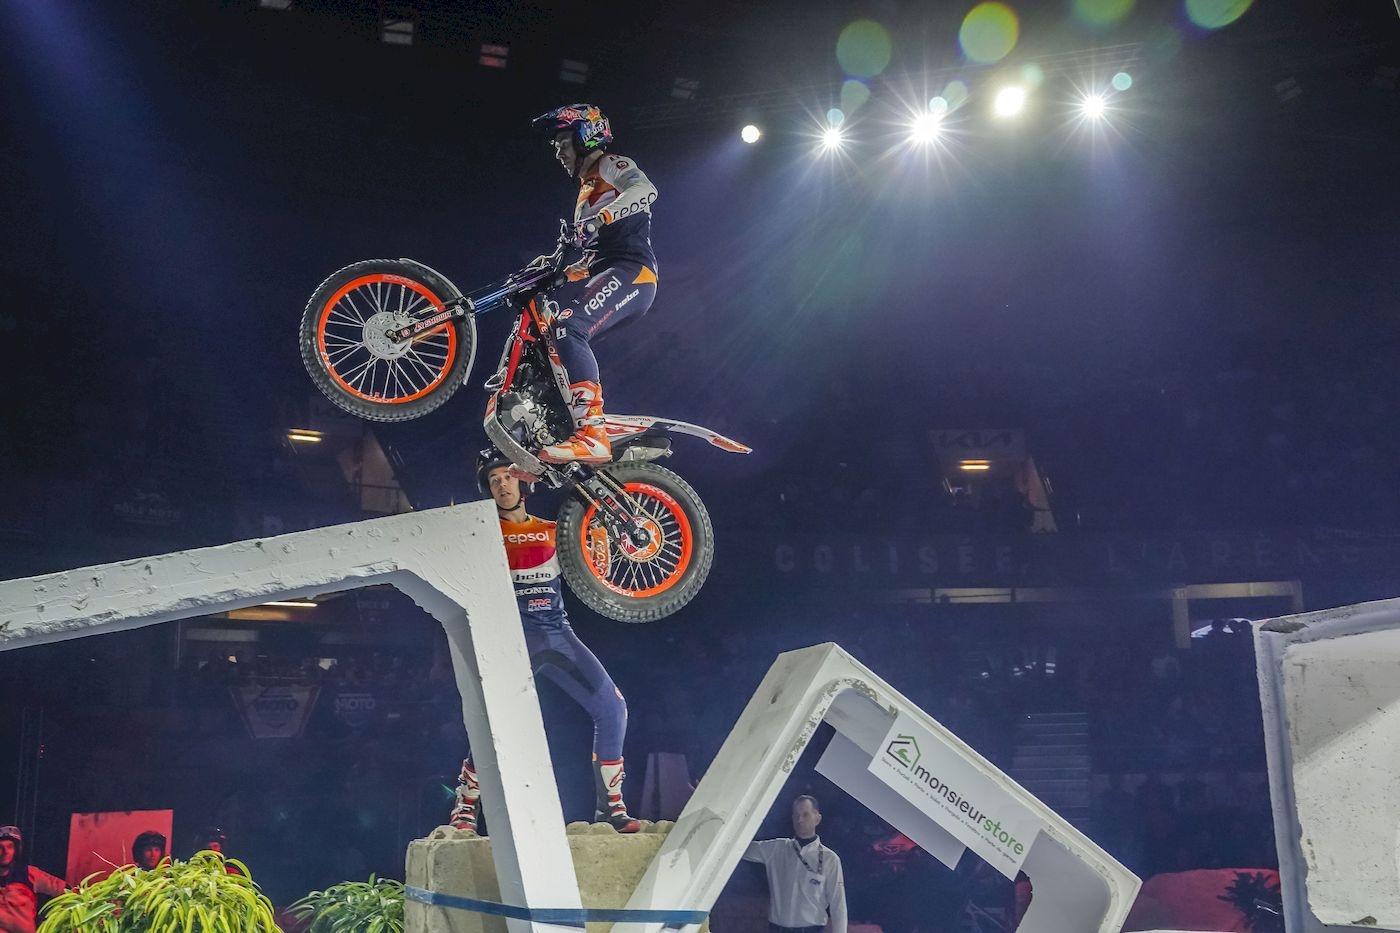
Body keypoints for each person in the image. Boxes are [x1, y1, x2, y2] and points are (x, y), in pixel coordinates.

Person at [449, 451, 640, 833]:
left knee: (613, 708)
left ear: (523, 482)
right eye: (494, 481)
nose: (502, 485)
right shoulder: (482, 536)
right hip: (509, 640)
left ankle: (612, 808)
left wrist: (600, 538)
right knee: (493, 721)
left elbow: (600, 573)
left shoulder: (556, 530)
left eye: (507, 477)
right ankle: (466, 806)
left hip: (556, 636)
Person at [528, 103, 659, 465]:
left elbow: (645, 190)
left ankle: (592, 434)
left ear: (586, 136)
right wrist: (560, 271)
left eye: (562, 143)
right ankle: (559, 431)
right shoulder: (585, 190)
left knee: (569, 328)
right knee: (551, 341)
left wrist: (602, 217)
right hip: (611, 270)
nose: (558, 153)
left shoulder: (610, 164)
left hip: (633, 271)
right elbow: (594, 257)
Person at [742, 796, 847, 933]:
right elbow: (740, 849)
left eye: (805, 814)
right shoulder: (776, 849)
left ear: (817, 818)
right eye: (796, 815)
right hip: (777, 929)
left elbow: (838, 903)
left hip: (811, 930)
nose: (800, 820)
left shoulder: (829, 859)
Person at [0, 826, 65, 933]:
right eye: (0, 847)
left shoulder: (30, 873)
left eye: (10, 846)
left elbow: (67, 891)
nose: (5, 852)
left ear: (16, 849)